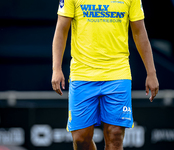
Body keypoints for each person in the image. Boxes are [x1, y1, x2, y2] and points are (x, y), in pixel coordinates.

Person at [51, 0, 159, 150]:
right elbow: (61, 29)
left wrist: (151, 72)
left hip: (117, 73)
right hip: (83, 74)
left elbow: (139, 31)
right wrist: (56, 69)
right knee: (81, 138)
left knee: (115, 136)